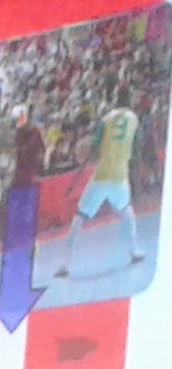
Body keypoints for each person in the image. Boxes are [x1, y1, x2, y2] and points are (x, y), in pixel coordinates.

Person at [56, 84, 147, 277]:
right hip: (120, 176)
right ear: (129, 100)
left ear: (116, 99)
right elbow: (137, 148)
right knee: (127, 210)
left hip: (100, 176)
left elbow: (94, 148)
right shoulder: (134, 119)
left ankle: (65, 264)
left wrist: (80, 171)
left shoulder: (106, 119)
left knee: (79, 217)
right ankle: (134, 250)